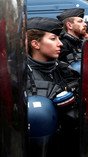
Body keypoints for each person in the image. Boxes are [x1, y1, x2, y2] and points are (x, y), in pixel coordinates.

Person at [26, 17, 80, 156]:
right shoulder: (19, 74)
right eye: (53, 38)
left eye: (59, 38)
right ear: (35, 44)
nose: (60, 43)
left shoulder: (64, 70)